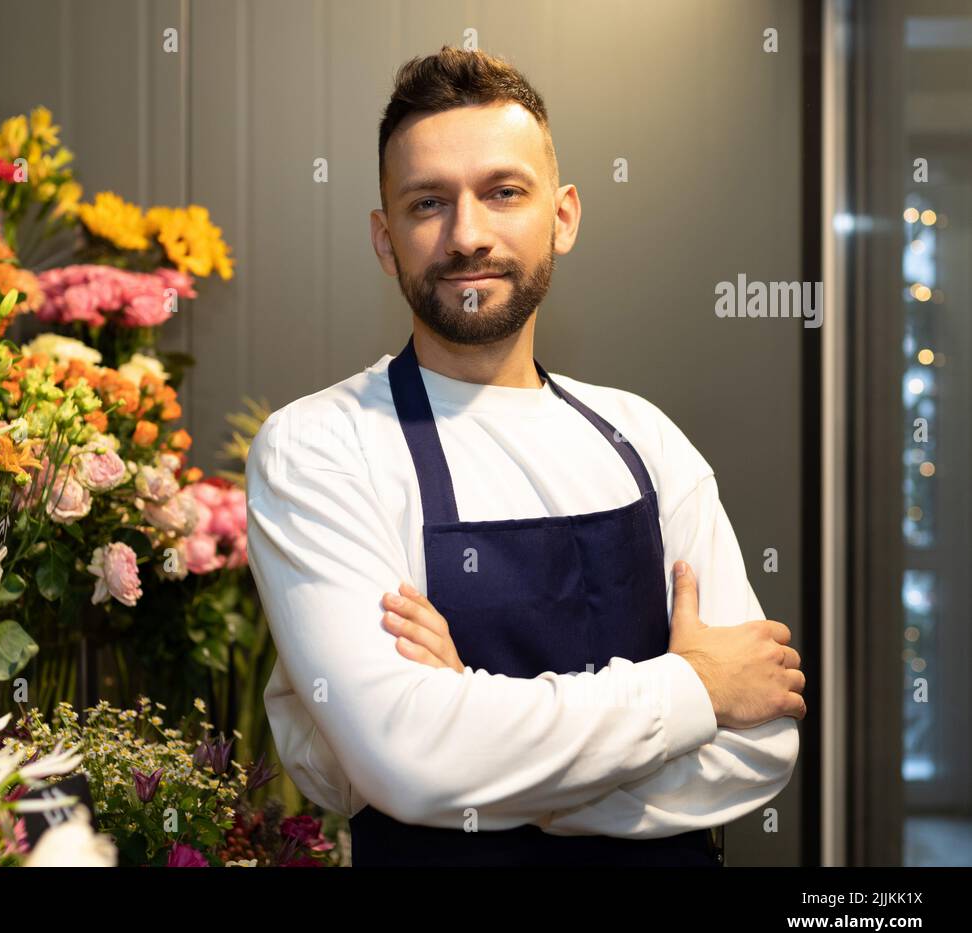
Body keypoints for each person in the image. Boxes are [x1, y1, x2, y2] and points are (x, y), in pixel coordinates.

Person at [245, 46, 805, 867]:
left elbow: (760, 744)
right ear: (384, 238)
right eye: (427, 202)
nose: (467, 235)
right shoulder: (318, 447)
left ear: (564, 216)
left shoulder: (645, 439)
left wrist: (474, 730)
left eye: (503, 193)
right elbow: (403, 758)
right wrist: (694, 689)